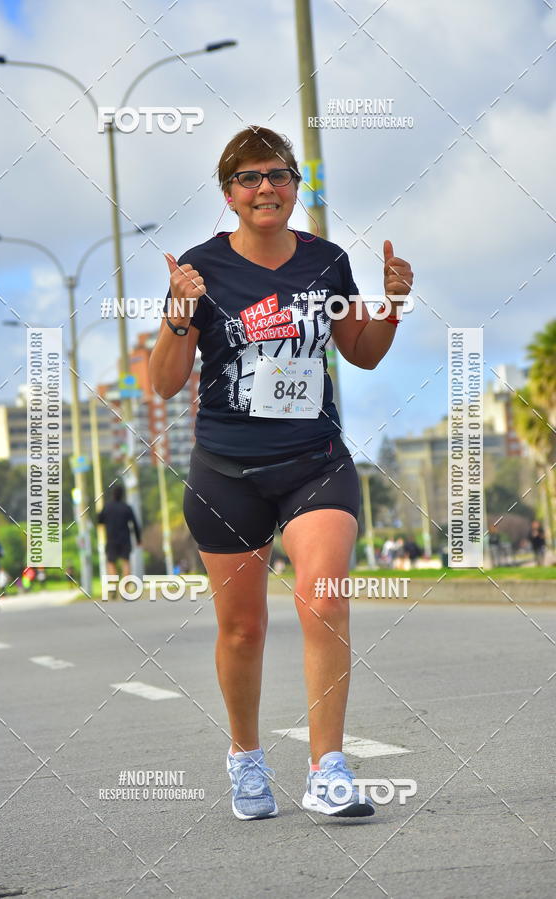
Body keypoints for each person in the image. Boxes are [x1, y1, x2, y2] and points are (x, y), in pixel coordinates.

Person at [149, 126, 413, 821]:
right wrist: (179, 314)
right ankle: (245, 756)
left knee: (323, 597)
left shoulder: (328, 261)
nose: (264, 188)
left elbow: (362, 352)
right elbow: (165, 382)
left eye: (277, 174)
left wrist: (391, 305)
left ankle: (328, 766)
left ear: (296, 184)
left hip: (314, 465)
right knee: (243, 630)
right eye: (248, 177)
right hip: (226, 472)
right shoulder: (199, 271)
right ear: (229, 193)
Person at [97, 484, 142, 583]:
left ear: (113, 494)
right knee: (125, 561)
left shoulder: (107, 507)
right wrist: (138, 539)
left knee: (111, 562)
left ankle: (113, 583)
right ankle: (125, 587)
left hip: (111, 539)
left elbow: (99, 520)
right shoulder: (126, 507)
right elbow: (135, 524)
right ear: (122, 495)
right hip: (125, 539)